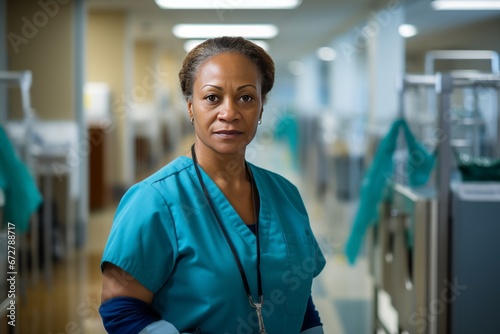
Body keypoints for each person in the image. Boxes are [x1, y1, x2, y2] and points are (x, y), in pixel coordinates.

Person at [99, 36, 326, 334]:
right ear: (191, 106)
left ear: (261, 107)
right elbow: (121, 308)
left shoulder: (286, 195)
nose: (229, 113)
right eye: (212, 98)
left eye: (246, 97)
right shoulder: (154, 200)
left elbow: (298, 298)